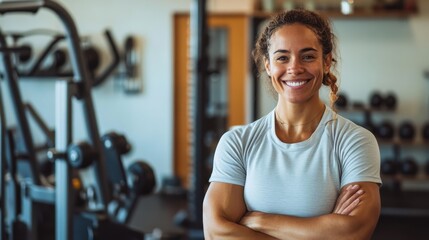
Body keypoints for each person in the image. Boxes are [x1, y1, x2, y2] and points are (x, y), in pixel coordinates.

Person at [203, 9, 381, 240]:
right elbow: (216, 233)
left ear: (326, 62)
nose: (294, 68)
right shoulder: (237, 143)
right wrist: (324, 229)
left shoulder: (355, 141)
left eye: (307, 56)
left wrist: (259, 220)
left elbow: (352, 232)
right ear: (268, 65)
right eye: (282, 57)